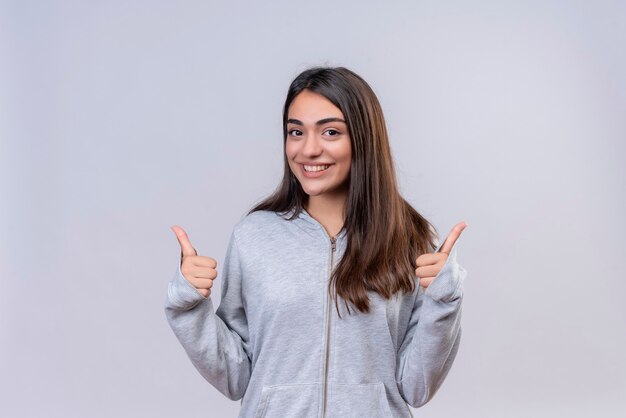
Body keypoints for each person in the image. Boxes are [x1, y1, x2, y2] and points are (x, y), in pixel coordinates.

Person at [164, 66, 468, 418]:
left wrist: (445, 300)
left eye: (330, 131)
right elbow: (236, 377)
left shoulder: (409, 238)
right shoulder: (254, 236)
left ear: (363, 139)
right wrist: (188, 307)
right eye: (296, 132)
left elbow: (416, 388)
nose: (309, 149)